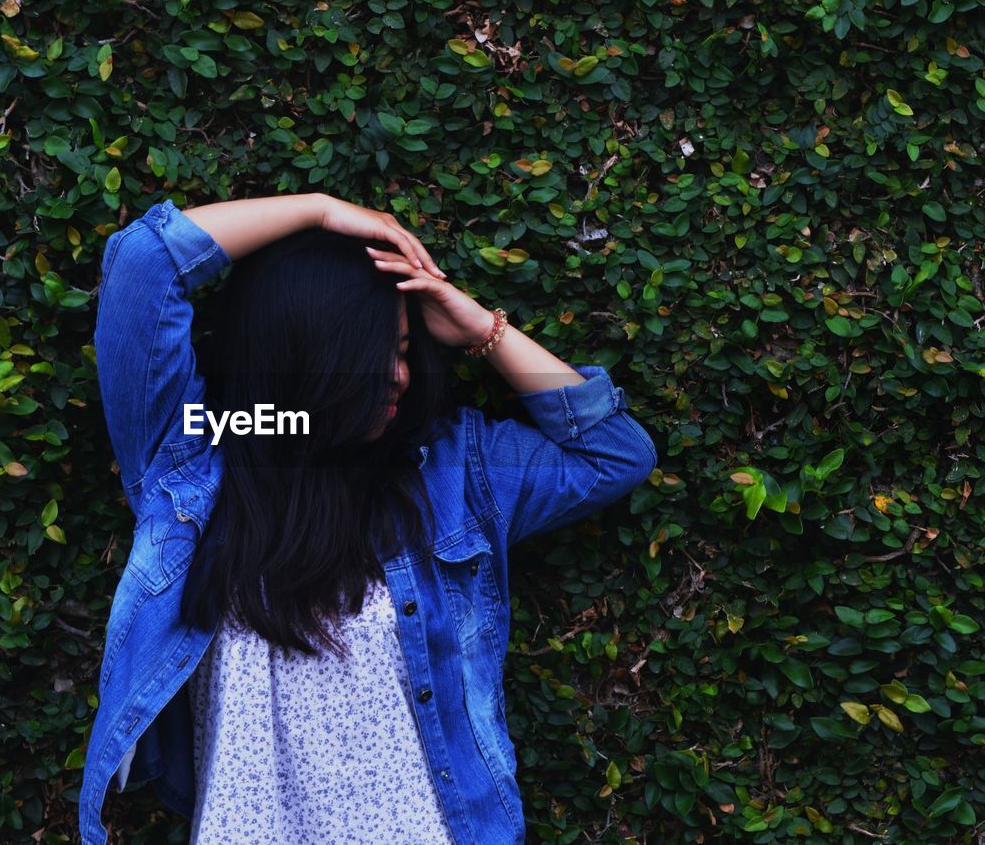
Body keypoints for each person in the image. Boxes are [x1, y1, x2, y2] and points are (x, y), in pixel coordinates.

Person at [79, 192, 658, 845]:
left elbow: (613, 455)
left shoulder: (448, 471)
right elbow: (143, 266)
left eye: (407, 349)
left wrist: (482, 332)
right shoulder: (202, 458)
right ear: (305, 351)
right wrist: (321, 210)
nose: (400, 375)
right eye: (375, 352)